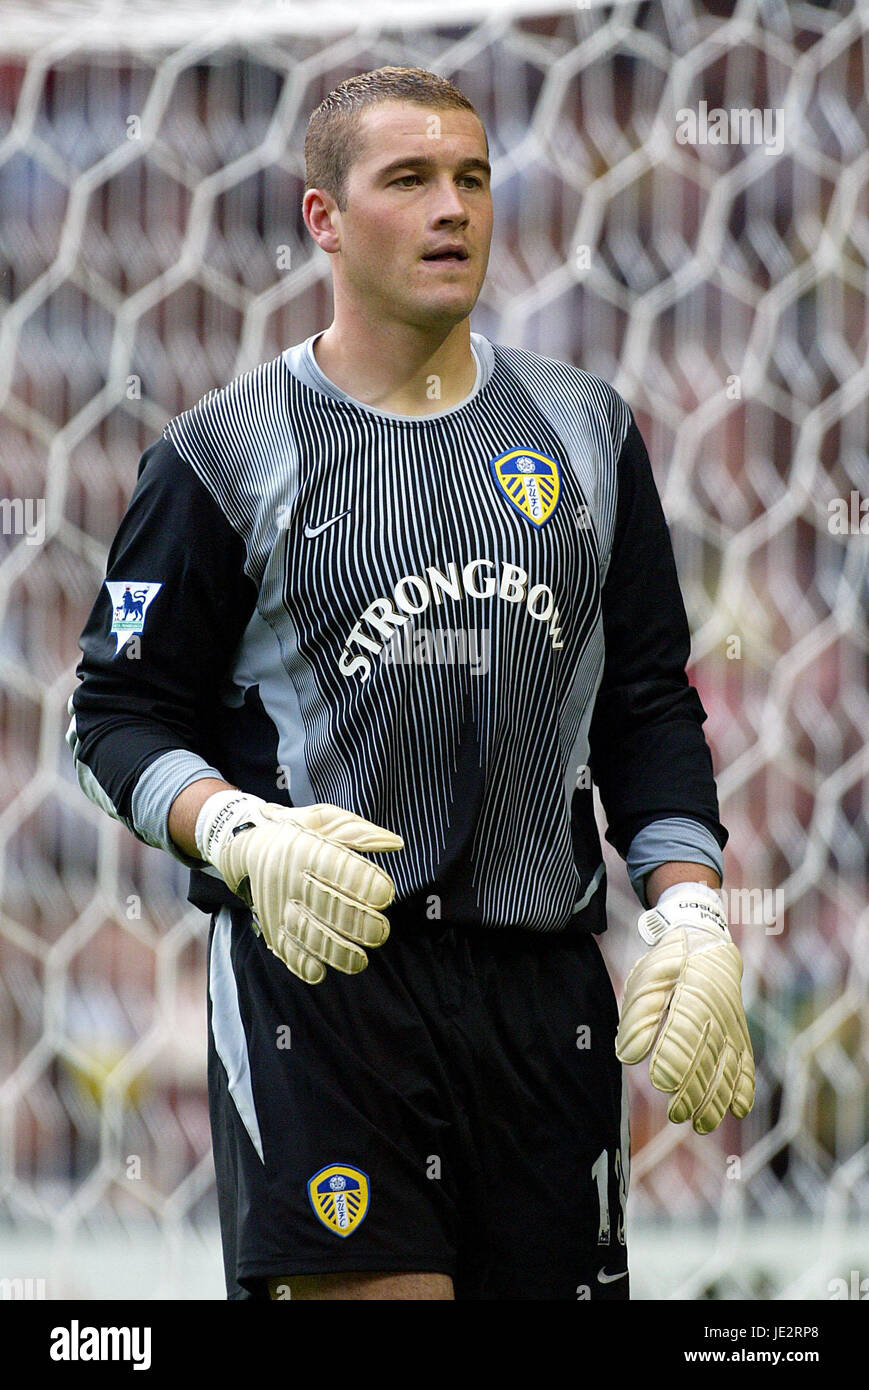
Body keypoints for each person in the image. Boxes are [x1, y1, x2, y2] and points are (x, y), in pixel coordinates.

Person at [66, 65, 754, 1302]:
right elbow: (112, 713)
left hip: (543, 1000)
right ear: (323, 217)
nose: (454, 209)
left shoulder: (588, 433)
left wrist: (691, 912)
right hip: (325, 989)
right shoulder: (221, 453)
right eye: (410, 180)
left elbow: (648, 707)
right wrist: (237, 829)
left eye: (472, 178)